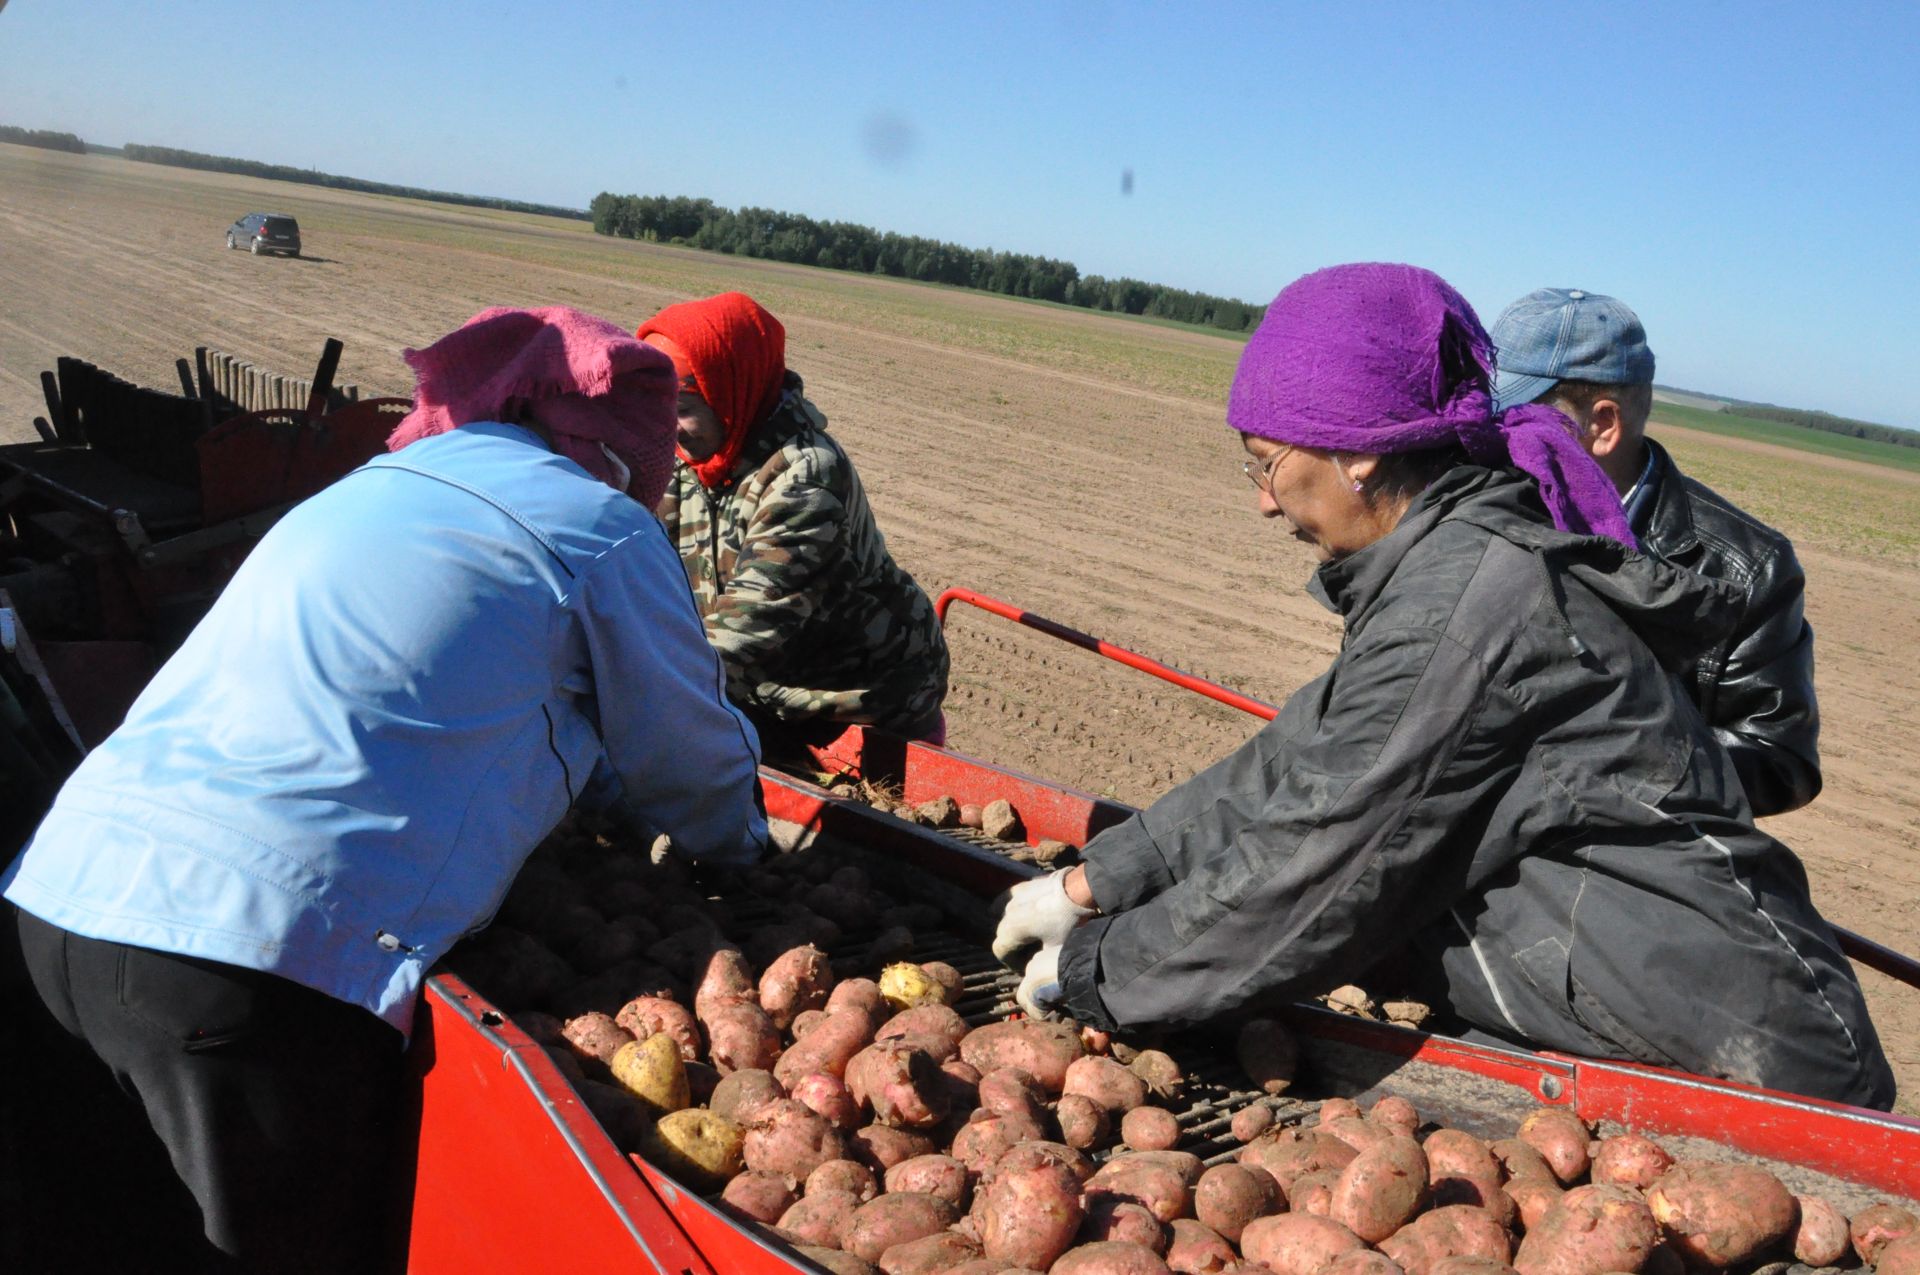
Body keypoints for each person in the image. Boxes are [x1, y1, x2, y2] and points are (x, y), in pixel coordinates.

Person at [993, 264, 1893, 1110]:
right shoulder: (1449, 565)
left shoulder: (1469, 599)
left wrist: (1097, 975)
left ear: (1360, 456)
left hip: (1751, 1064)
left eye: (1265, 461)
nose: (1265, 500)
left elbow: (1327, 854)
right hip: (1643, 1014)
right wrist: (1094, 884)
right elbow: (1301, 755)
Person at [0, 307, 769, 1272]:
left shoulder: (378, 484)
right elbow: (690, 760)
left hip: (52, 902)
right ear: (618, 452)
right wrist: (744, 858)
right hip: (244, 965)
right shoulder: (599, 525)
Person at [1489, 288, 1820, 816]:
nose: (1489, 432)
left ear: (1601, 424)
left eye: (1512, 414)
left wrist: (1595, 764)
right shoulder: (1482, 505)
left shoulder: (1747, 567)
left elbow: (1778, 760)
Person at [639, 291, 950, 753]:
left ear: (730, 394)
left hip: (851, 702)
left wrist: (634, 698)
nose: (666, 426)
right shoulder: (685, 459)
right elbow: (628, 558)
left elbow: (750, 627)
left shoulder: (805, 477)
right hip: (759, 687)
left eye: (683, 408)